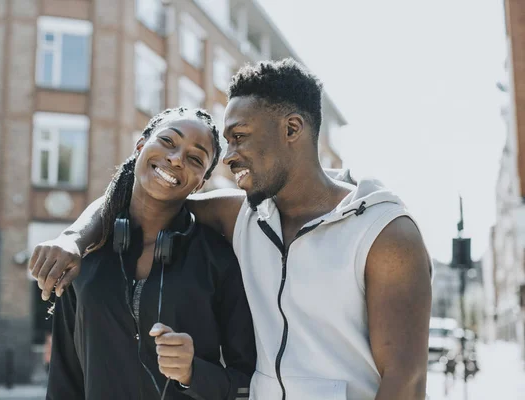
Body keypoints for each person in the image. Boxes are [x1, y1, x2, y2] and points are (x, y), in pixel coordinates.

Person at [30, 59, 432, 400]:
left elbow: (406, 380)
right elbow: (144, 198)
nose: (230, 157)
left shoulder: (384, 232)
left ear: (292, 129)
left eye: (239, 138)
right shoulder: (244, 216)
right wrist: (74, 238)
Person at [39, 107, 256, 400]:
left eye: (194, 159)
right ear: (140, 146)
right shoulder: (84, 258)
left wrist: (194, 374)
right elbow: (63, 383)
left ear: (201, 182)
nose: (177, 158)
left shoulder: (219, 260)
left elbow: (249, 384)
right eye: (168, 142)